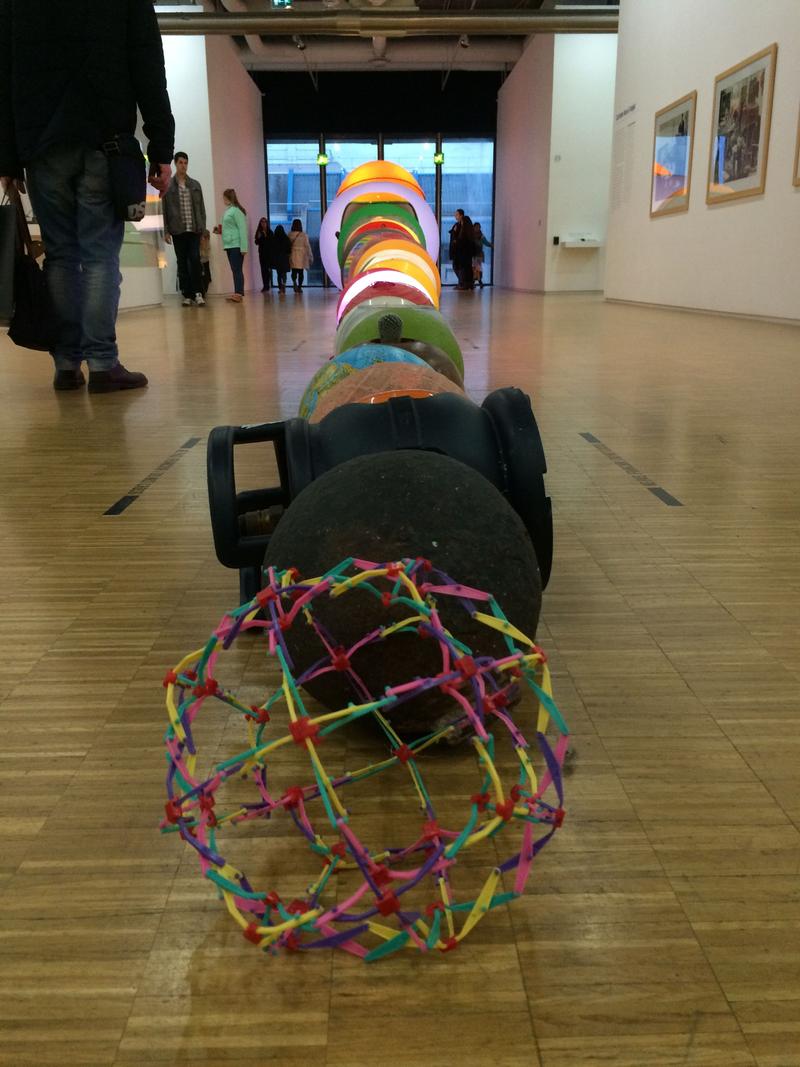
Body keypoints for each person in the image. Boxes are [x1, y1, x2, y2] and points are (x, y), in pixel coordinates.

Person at [0, 0, 174, 392]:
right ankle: (102, 363)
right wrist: (161, 147)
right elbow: (148, 65)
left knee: (61, 256)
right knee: (99, 255)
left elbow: (5, 71)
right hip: (104, 141)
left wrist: (7, 158)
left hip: (42, 146)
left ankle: (65, 363)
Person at [163, 151, 207, 307]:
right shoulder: (168, 185)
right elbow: (165, 209)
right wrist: (166, 230)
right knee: (182, 262)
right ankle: (186, 294)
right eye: (181, 162)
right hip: (177, 230)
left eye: (186, 163)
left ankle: (198, 293)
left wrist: (203, 229)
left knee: (195, 260)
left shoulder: (195, 185)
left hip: (194, 229)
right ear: (175, 163)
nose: (184, 166)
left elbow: (201, 208)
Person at [215, 188, 248, 303]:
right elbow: (229, 228)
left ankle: (239, 293)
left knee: (237, 269)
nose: (223, 200)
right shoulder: (228, 211)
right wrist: (220, 231)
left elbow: (242, 229)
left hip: (236, 245)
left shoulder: (236, 211)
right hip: (229, 245)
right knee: (234, 269)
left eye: (224, 197)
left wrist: (244, 247)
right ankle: (236, 292)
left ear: (228, 198)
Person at [288, 218, 313, 292]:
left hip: (293, 254)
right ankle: (299, 287)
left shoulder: (289, 234)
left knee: (294, 271)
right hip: (301, 256)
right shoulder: (304, 235)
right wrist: (310, 256)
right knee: (301, 272)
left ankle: (294, 282)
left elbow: (287, 245)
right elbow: (307, 246)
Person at [454, 214, 475, 291]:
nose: (461, 223)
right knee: (467, 269)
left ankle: (464, 284)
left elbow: (460, 242)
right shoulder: (470, 232)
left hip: (463, 254)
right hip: (468, 254)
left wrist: (456, 235)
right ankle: (469, 284)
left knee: (463, 269)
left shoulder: (463, 232)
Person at [254, 217, 274, 292]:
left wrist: (265, 235)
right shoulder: (259, 231)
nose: (263, 223)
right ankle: (265, 286)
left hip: (269, 253)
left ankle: (268, 285)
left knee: (268, 269)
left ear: (267, 223)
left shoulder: (270, 232)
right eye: (262, 222)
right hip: (262, 253)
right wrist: (258, 238)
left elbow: (272, 242)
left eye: (265, 222)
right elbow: (256, 242)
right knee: (263, 269)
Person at [472, 223, 492, 289]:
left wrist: (491, 245)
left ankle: (477, 281)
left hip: (478, 255)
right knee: (475, 268)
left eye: (478, 227)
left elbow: (485, 242)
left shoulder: (481, 236)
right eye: (476, 227)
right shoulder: (471, 235)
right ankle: (477, 281)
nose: (477, 228)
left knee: (478, 268)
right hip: (473, 255)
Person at [272, 225, 290, 294]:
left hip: (277, 258)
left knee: (279, 274)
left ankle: (280, 288)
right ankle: (284, 285)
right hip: (284, 258)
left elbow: (272, 249)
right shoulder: (286, 238)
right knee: (284, 273)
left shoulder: (274, 239)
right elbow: (289, 249)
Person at [448, 208, 464, 285]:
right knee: (456, 266)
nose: (455, 216)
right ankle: (461, 282)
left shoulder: (462, 225)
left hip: (459, 250)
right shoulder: (457, 225)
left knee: (458, 267)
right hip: (456, 249)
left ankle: (461, 282)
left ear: (461, 215)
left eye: (457, 214)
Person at [199, 229, 212, 296]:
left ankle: (203, 292)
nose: (204, 239)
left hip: (205, 263)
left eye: (206, 238)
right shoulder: (196, 245)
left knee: (206, 278)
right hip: (199, 263)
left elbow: (206, 255)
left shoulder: (207, 244)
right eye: (203, 237)